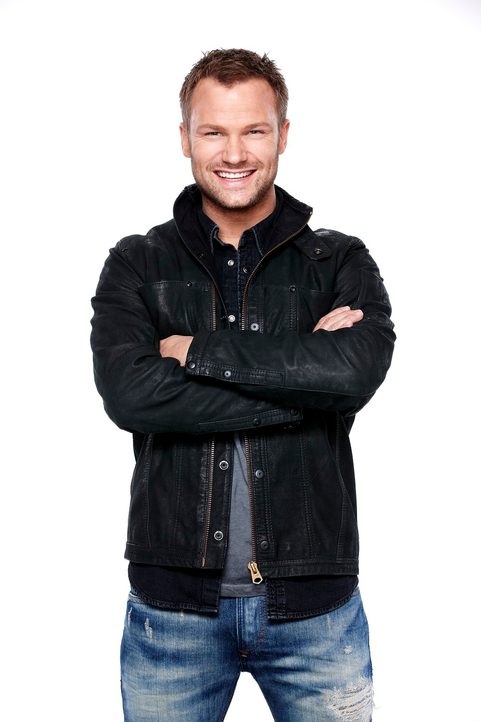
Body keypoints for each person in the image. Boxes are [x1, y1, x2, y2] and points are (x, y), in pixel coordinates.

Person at [91, 48, 395, 722]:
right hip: (172, 615)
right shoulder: (137, 264)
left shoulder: (338, 261)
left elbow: (353, 372)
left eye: (253, 130)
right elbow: (131, 395)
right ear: (185, 138)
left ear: (282, 134)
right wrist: (304, 382)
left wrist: (194, 350)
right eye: (213, 132)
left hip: (316, 612)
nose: (234, 153)